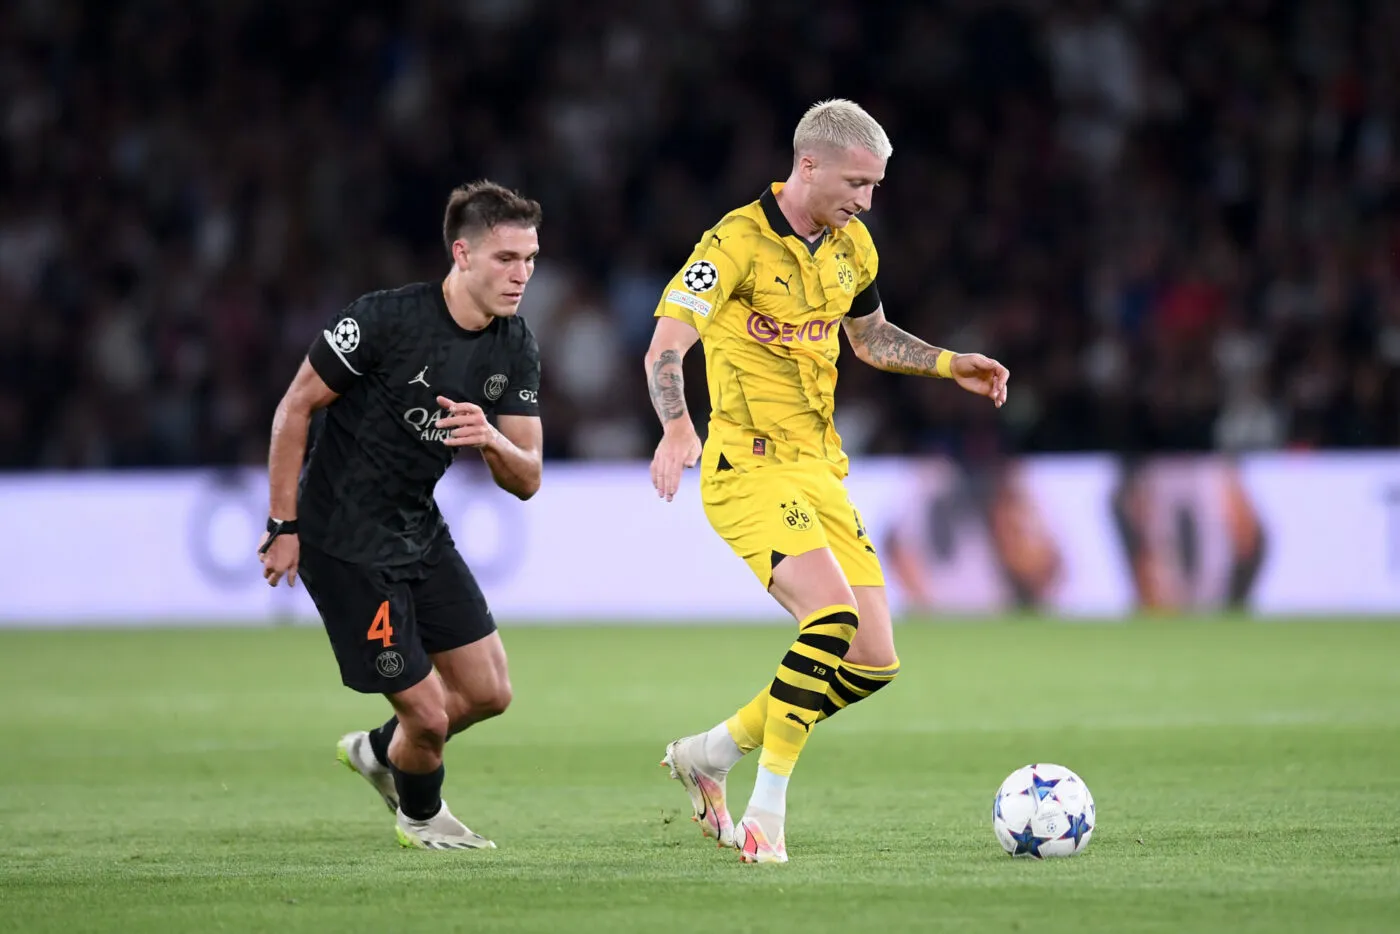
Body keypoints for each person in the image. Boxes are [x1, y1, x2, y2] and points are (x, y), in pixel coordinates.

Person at [645, 100, 1010, 863]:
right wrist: (679, 425)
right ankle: (766, 815)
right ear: (806, 165)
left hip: (819, 468)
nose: (866, 201)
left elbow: (870, 337)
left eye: (875, 186)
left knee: (874, 659)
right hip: (745, 465)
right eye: (856, 183)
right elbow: (665, 347)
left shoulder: (853, 246)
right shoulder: (734, 243)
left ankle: (709, 752)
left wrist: (950, 363)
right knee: (831, 618)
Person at [258, 181, 544, 850]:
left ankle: (380, 752)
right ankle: (420, 816)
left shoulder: (513, 345)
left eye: (530, 259)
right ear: (462, 253)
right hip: (345, 542)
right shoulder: (384, 320)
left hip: (419, 529)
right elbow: (294, 408)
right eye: (506, 258)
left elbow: (527, 478)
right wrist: (282, 525)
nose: (522, 274)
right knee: (430, 717)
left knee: (488, 693)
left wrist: (491, 439)